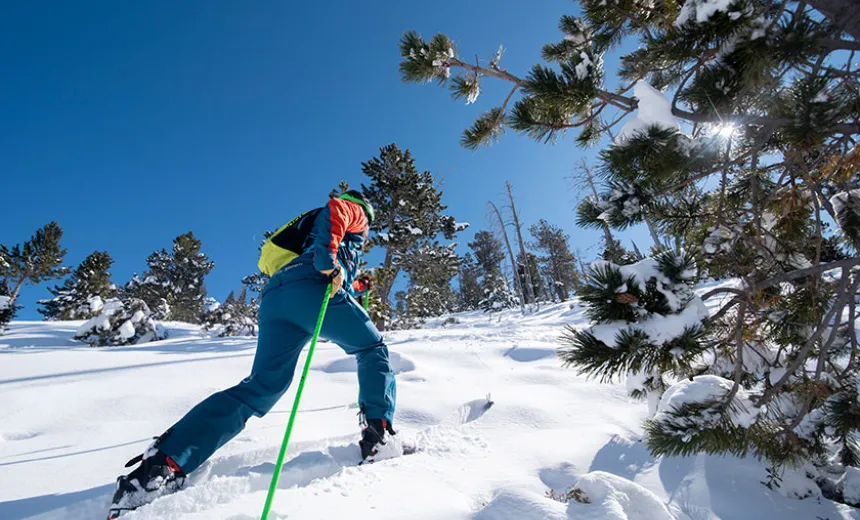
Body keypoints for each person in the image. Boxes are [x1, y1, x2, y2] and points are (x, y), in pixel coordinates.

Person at [108, 190, 397, 518]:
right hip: (312, 287)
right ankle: (378, 436)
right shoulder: (354, 211)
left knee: (262, 386)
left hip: (278, 297)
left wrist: (357, 286)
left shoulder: (315, 233)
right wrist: (329, 265)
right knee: (373, 349)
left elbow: (329, 266)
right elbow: (334, 224)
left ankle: (161, 466)